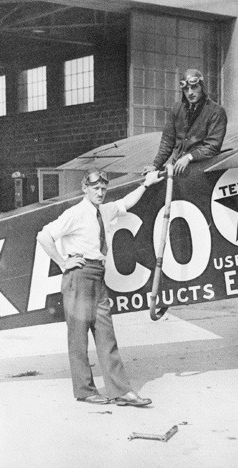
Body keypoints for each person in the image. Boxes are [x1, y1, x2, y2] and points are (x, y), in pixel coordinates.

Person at [37, 168, 164, 406]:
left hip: (98, 275)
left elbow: (126, 202)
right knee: (78, 337)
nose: (100, 192)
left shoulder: (104, 211)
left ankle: (121, 391)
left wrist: (146, 184)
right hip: (79, 276)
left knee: (106, 335)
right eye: (95, 188)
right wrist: (63, 263)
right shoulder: (75, 213)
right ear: (85, 188)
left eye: (104, 188)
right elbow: (44, 236)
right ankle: (85, 390)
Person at [148, 68, 227, 176]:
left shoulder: (216, 111)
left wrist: (189, 157)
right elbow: (167, 142)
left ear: (202, 87)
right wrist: (155, 165)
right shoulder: (176, 109)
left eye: (194, 87)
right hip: (178, 170)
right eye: (186, 89)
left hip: (201, 172)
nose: (190, 92)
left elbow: (212, 147)